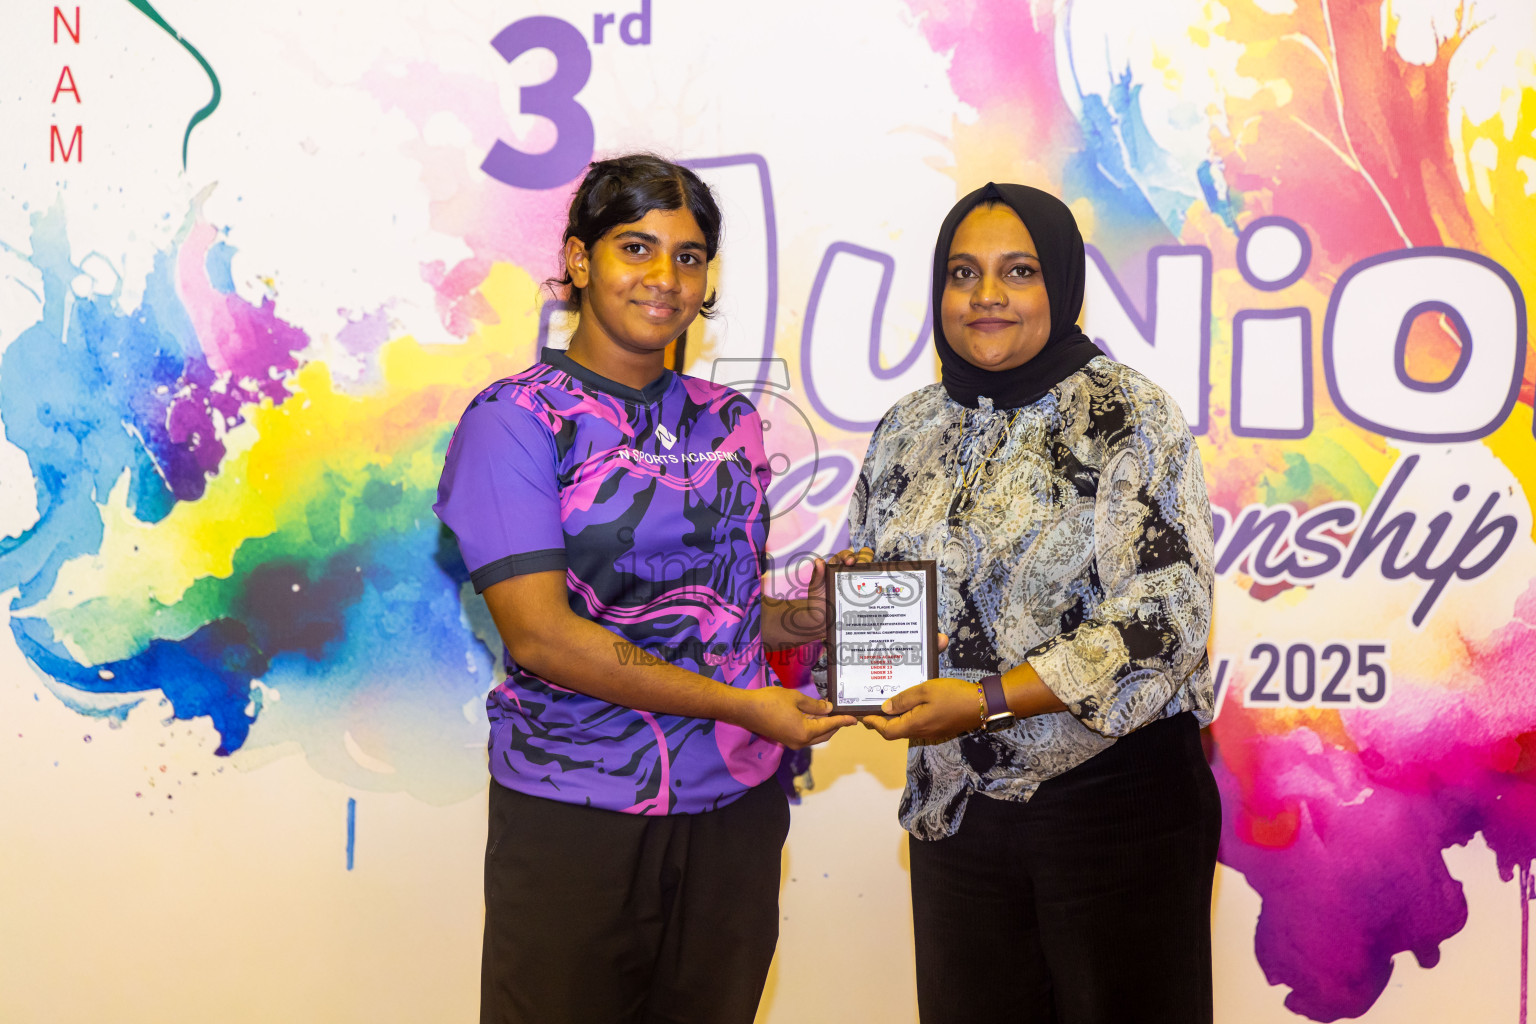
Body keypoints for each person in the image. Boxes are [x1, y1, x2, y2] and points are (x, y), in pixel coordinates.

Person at [433, 154, 854, 1024]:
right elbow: (542, 636)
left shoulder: (728, 418)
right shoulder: (515, 420)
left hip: (733, 810)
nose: (666, 278)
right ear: (581, 262)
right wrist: (744, 707)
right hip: (577, 808)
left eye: (690, 256)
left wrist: (803, 619)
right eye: (637, 248)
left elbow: (723, 615)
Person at [852, 182, 1221, 1023]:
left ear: (1059, 283)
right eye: (962, 272)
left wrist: (984, 700)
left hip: (1116, 803)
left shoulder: (1129, 416)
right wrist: (840, 606)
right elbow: (886, 588)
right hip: (960, 812)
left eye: (1016, 272)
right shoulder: (907, 427)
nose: (985, 296)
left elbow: (1168, 619)